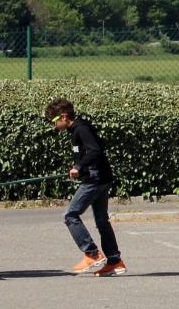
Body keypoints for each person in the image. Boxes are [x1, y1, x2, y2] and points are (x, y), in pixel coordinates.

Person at [45, 98, 126, 276]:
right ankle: (114, 261)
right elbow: (88, 153)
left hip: (95, 179)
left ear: (64, 116)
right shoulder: (78, 129)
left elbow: (95, 150)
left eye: (54, 121)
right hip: (100, 177)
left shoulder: (81, 129)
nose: (54, 126)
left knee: (70, 215)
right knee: (101, 220)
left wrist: (79, 167)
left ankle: (92, 253)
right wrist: (78, 168)